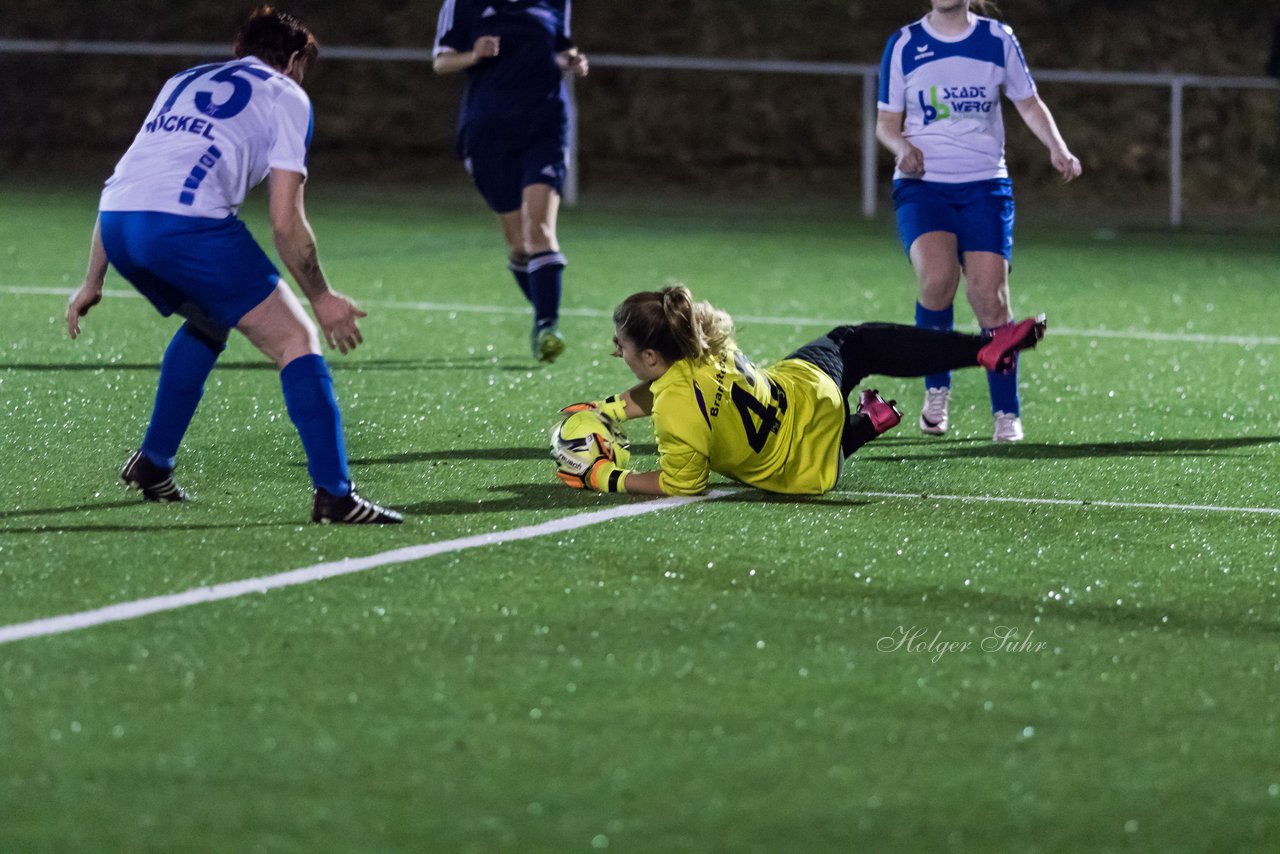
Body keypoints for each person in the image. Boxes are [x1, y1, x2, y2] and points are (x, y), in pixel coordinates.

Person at [65, 7, 402, 524]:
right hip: (184, 228)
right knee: (296, 339)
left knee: (209, 318)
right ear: (292, 61)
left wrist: (92, 279)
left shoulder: (182, 80)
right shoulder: (287, 94)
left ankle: (153, 464)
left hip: (117, 223)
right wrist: (322, 298)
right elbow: (286, 223)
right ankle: (335, 496)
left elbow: (129, 177)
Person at [554, 285, 1045, 497]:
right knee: (855, 341)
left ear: (653, 359)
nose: (616, 352)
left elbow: (684, 484)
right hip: (811, 400)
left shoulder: (675, 410)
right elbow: (667, 387)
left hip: (804, 474)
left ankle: (865, 425)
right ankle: (981, 349)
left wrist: (605, 477)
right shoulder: (703, 342)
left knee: (779, 456)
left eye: (621, 345)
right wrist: (609, 408)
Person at [875, 0, 1081, 442]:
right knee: (937, 278)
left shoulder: (997, 39)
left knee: (990, 297)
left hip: (985, 186)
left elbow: (1028, 102)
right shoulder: (905, 43)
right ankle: (937, 389)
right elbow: (885, 123)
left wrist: (1057, 147)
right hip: (923, 185)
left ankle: (1006, 411)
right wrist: (901, 148)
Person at [432, 0, 588, 363]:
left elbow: (562, 48)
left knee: (540, 232)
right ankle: (543, 310)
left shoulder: (554, 3)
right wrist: (474, 54)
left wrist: (573, 60)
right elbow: (441, 61)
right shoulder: (461, 5)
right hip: (489, 133)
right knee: (519, 244)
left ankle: (548, 324)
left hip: (545, 126)